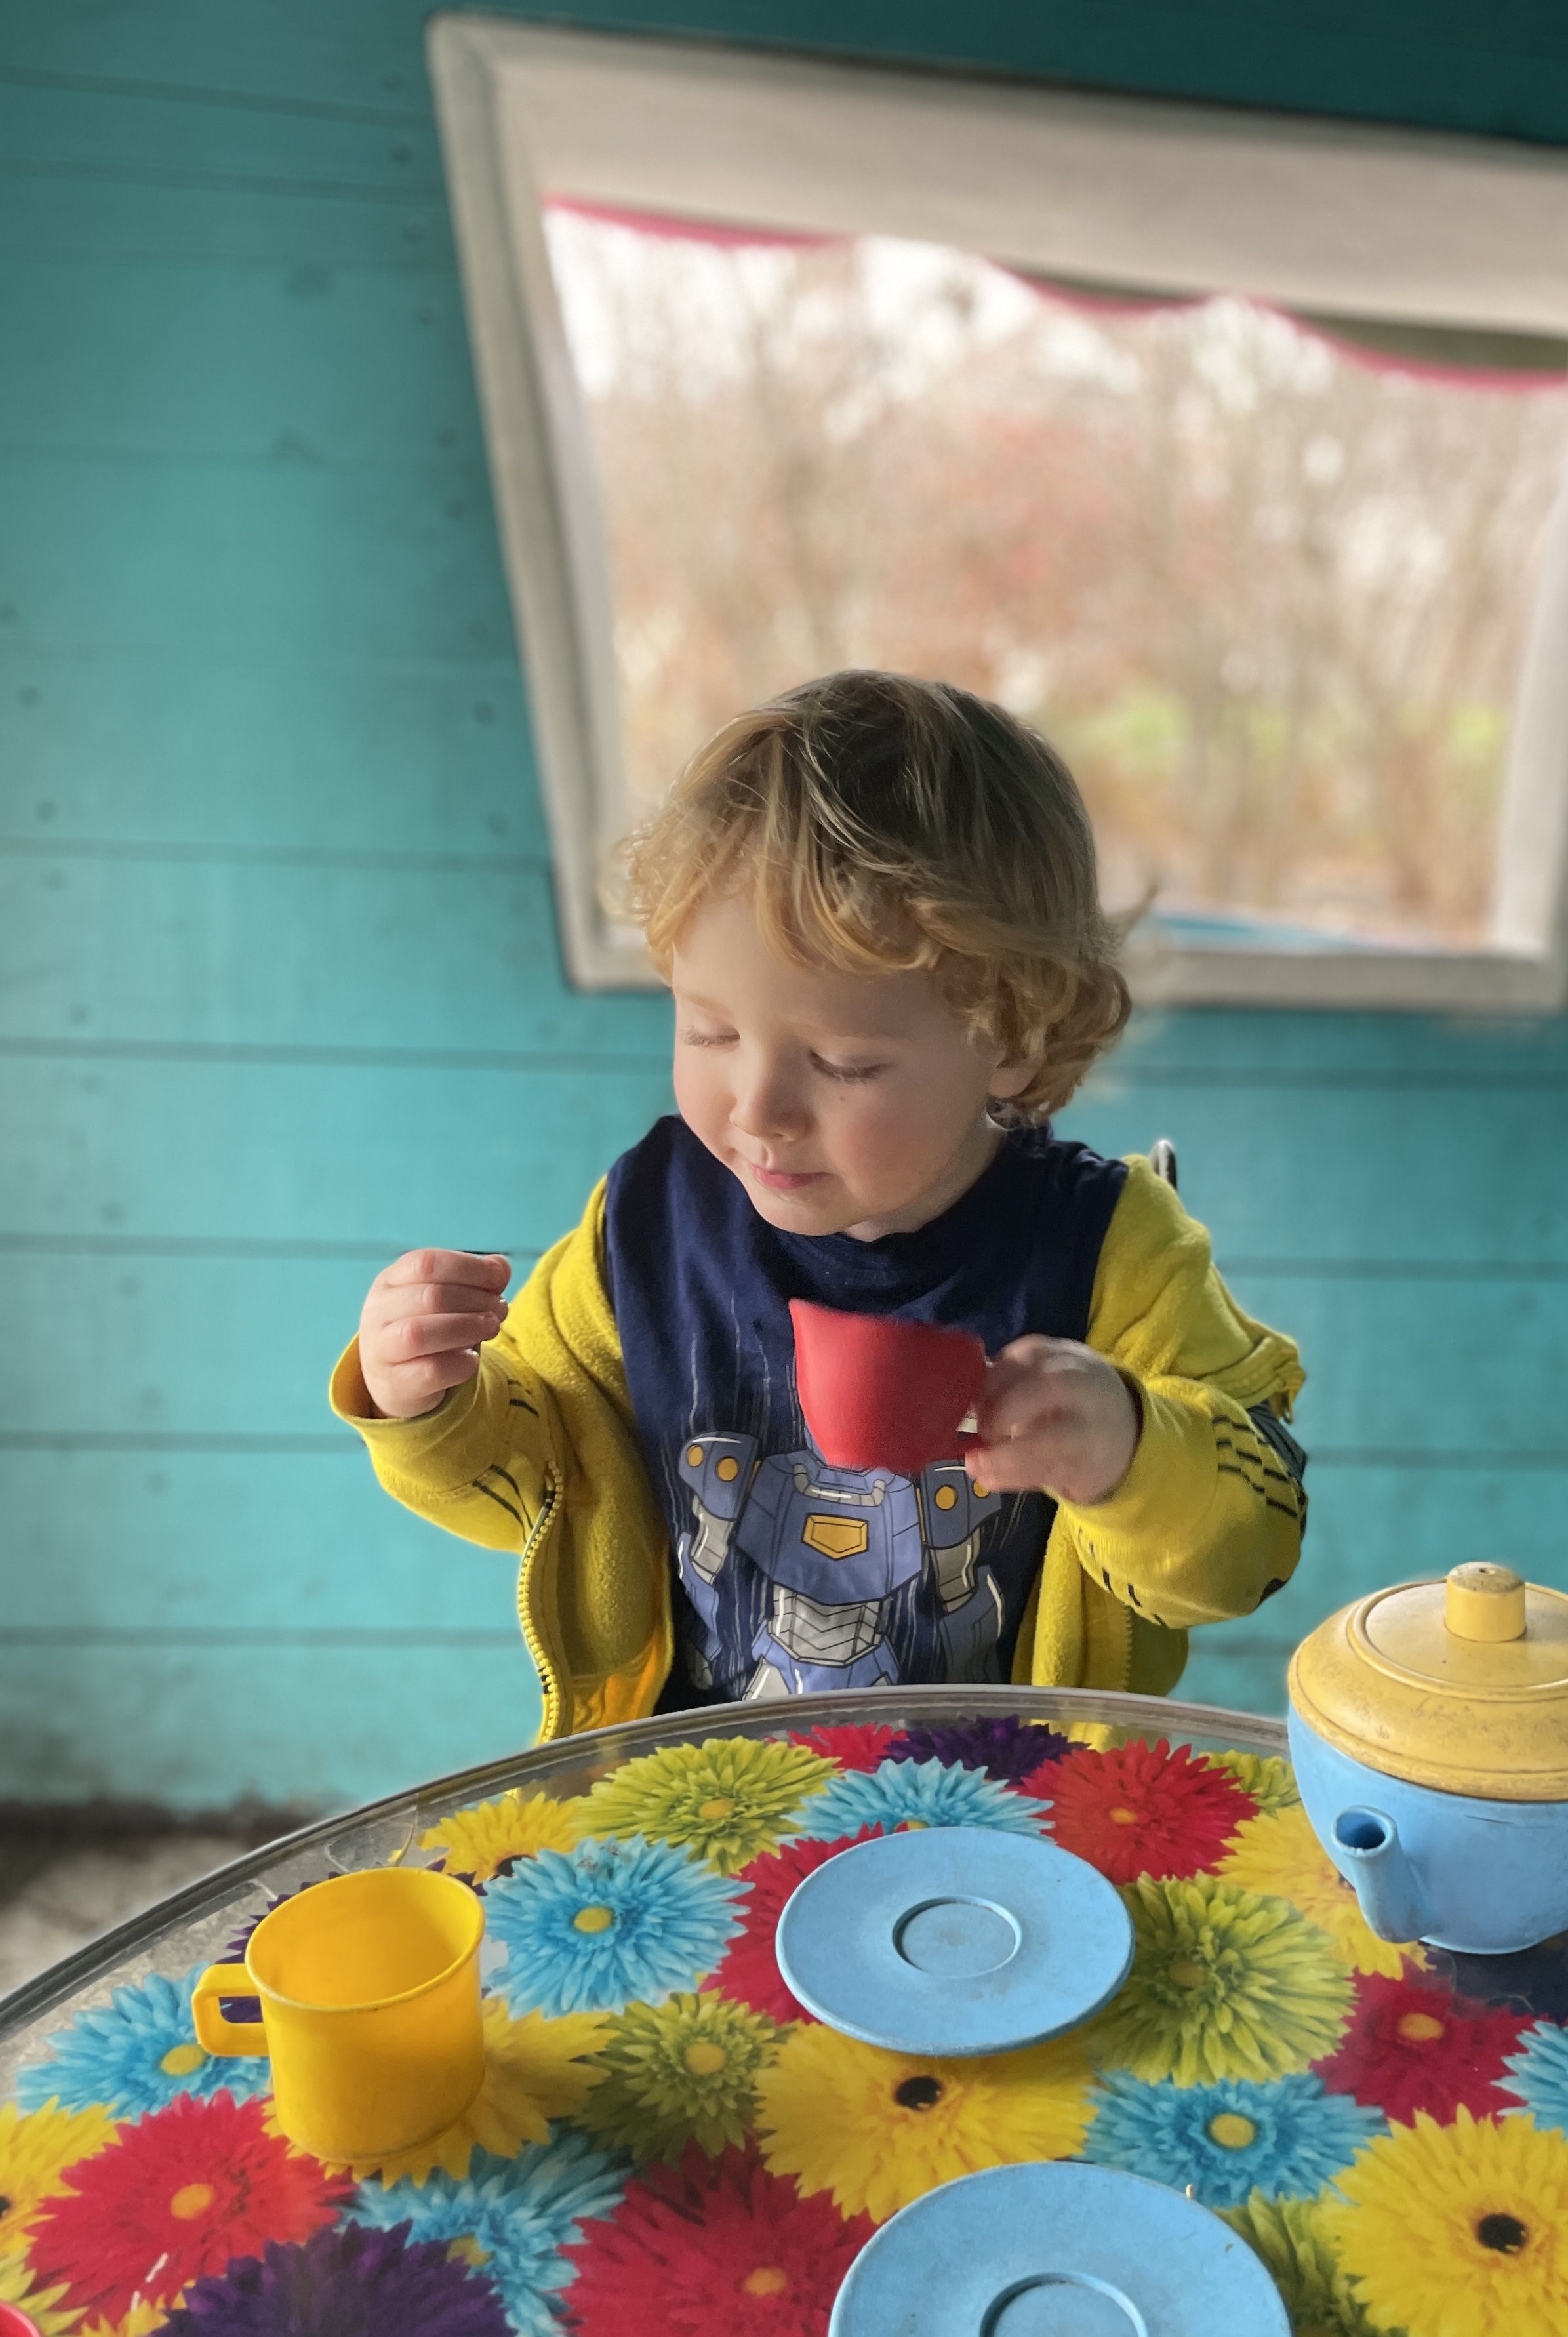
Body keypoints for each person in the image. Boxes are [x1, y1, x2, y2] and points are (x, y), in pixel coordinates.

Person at [332, 670, 1307, 1745]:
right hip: (700, 1787)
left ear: (1016, 1039)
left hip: (1012, 1801)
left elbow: (1251, 1544)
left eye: (840, 1062)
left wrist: (1131, 1449)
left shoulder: (1115, 1254)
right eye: (710, 1031)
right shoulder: (646, 1230)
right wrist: (427, 1408)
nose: (758, 1108)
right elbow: (537, 1490)